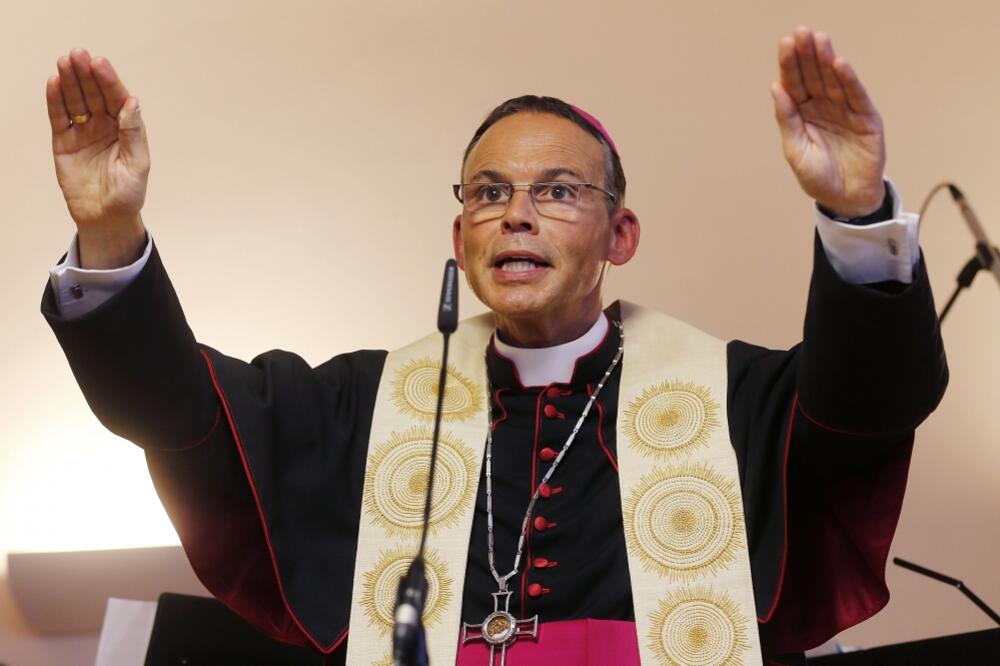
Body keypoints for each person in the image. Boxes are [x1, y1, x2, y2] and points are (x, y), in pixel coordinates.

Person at [41, 26, 947, 666]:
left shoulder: (734, 395)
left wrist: (856, 214)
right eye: (488, 192)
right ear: (460, 237)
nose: (516, 213)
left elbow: (872, 399)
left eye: (557, 191)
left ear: (620, 236)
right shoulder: (366, 403)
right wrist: (113, 231)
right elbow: (178, 416)